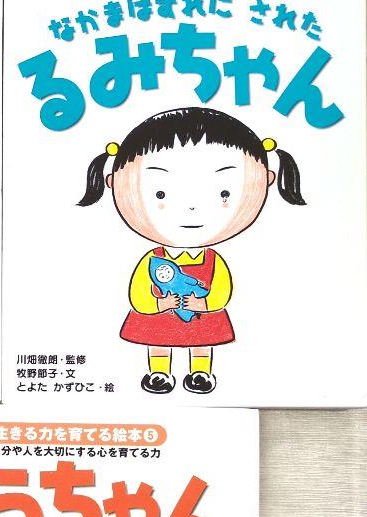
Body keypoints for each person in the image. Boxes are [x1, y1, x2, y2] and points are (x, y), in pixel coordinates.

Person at [77, 107, 306, 395]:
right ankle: (159, 373)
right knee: (158, 342)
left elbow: (221, 288)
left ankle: (200, 373)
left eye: (223, 193)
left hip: (201, 312)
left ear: (266, 180)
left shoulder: (212, 260)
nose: (191, 209)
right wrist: (159, 304)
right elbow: (139, 291)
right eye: (160, 194)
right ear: (114, 184)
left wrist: (206, 304)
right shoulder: (153, 259)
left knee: (202, 343)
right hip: (161, 312)